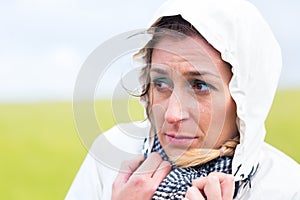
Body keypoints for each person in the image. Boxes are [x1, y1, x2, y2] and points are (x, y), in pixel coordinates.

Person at [66, 0, 300, 199]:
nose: (172, 115)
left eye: (200, 86)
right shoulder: (114, 155)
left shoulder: (285, 188)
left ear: (245, 96)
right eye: (161, 84)